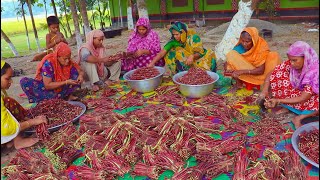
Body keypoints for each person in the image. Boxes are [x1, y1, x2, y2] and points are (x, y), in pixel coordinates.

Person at [260, 41, 319, 128]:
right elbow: (271, 73)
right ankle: (288, 107)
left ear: (305, 57)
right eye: (290, 60)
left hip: (311, 97)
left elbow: (303, 98)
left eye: (295, 60)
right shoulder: (291, 63)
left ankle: (299, 118)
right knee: (279, 75)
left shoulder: (314, 71)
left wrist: (278, 100)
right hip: (300, 94)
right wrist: (265, 91)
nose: (292, 63)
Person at [1, 60, 48, 149]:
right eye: (7, 78)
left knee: (9, 103)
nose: (11, 81)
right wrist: (32, 122)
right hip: (5, 128)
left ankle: (10, 140)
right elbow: (7, 127)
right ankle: (18, 141)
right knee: (9, 103)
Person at [148, 21, 217, 76]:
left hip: (200, 59)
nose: (175, 36)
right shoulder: (173, 42)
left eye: (177, 34)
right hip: (187, 62)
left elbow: (200, 53)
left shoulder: (193, 38)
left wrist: (192, 56)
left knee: (210, 54)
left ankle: (208, 74)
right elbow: (161, 53)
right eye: (173, 34)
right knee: (171, 52)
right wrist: (152, 63)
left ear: (183, 32)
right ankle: (182, 74)